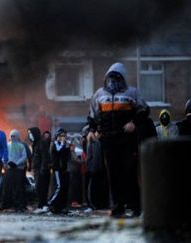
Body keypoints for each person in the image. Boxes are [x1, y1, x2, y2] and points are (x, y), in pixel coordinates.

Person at [87, 62, 148, 218]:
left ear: (122, 78)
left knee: (129, 172)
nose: (113, 81)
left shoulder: (132, 92)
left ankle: (136, 207)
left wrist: (133, 123)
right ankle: (117, 207)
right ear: (106, 78)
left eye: (116, 78)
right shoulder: (99, 94)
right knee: (113, 175)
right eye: (110, 78)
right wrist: (92, 130)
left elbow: (144, 110)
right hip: (108, 140)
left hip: (127, 140)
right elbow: (92, 116)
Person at [0, 129, 27, 212]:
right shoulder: (7, 145)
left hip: (18, 170)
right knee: (7, 187)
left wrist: (16, 163)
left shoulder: (21, 146)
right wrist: (8, 162)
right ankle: (6, 204)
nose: (13, 137)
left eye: (14, 136)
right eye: (11, 136)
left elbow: (24, 156)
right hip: (9, 170)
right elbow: (3, 155)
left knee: (18, 188)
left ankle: (18, 205)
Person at [47, 128, 72, 214]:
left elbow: (67, 155)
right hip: (57, 169)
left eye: (65, 136)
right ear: (58, 136)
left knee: (64, 187)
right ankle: (51, 202)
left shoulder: (65, 145)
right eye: (62, 136)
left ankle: (61, 206)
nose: (64, 137)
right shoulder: (55, 144)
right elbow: (58, 151)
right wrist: (62, 143)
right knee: (59, 186)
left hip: (64, 169)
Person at [29, 127, 52, 214]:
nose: (29, 136)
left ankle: (43, 205)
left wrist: (42, 169)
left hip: (41, 170)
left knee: (41, 188)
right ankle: (41, 205)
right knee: (39, 188)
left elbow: (45, 157)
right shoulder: (35, 144)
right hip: (37, 170)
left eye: (30, 134)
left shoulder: (42, 143)